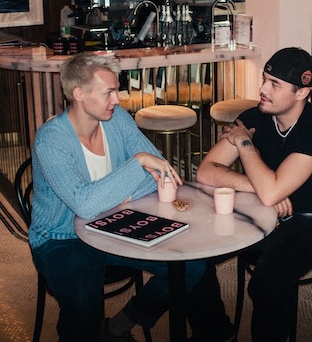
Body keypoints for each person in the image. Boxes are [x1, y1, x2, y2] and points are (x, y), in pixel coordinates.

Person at [29, 53, 228, 342]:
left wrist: (117, 195)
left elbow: (160, 170)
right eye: (108, 92)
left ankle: (121, 325)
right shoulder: (51, 139)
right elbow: (84, 205)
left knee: (192, 266)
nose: (118, 100)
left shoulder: (116, 120)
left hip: (116, 223)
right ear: (79, 94)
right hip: (61, 239)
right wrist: (136, 163)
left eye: (116, 90)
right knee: (83, 310)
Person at [195, 47, 312, 342]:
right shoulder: (256, 116)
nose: (262, 90)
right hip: (261, 210)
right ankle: (215, 333)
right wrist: (260, 187)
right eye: (265, 80)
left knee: (268, 282)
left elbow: (271, 189)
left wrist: (244, 145)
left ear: (301, 93)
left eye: (274, 84)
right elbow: (206, 171)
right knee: (192, 257)